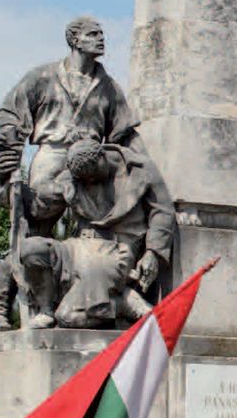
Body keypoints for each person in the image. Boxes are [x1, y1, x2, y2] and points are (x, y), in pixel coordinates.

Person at [0, 16, 143, 330]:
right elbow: (7, 115)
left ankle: (89, 303)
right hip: (52, 159)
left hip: (90, 167)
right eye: (93, 35)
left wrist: (139, 170)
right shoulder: (42, 77)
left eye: (101, 34)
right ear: (74, 40)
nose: (101, 39)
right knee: (32, 241)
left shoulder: (108, 86)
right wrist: (10, 145)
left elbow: (124, 133)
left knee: (96, 241)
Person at [19, 137, 174, 328]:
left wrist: (153, 252)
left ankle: (121, 304)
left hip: (114, 251)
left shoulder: (140, 169)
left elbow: (163, 211)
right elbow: (41, 208)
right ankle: (46, 310)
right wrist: (20, 193)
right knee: (31, 248)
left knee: (68, 316)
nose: (90, 181)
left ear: (102, 156)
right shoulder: (74, 176)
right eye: (84, 180)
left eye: (93, 175)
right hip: (77, 247)